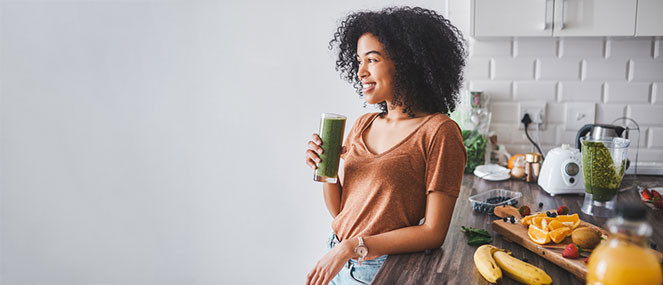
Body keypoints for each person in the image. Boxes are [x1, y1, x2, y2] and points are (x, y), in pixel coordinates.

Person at [305, 6, 467, 285]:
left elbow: (433, 233)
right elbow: (342, 212)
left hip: (379, 270)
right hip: (336, 259)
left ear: (407, 62)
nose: (361, 72)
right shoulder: (363, 124)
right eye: (358, 61)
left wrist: (351, 247)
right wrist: (325, 169)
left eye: (372, 59)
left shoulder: (439, 132)